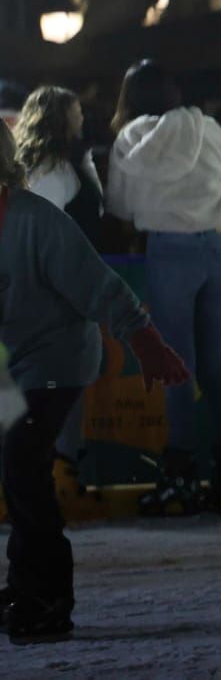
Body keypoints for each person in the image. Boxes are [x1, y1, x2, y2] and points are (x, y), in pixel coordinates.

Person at [0, 120, 190, 643]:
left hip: (55, 361)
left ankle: (47, 596)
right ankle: (23, 582)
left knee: (22, 459)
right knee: (16, 468)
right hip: (8, 366)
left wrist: (144, 339)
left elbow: (99, 284)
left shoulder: (35, 219)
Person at [105, 60, 221, 516]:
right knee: (213, 366)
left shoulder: (129, 139)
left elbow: (120, 204)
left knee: (176, 368)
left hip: (171, 253)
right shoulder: (207, 127)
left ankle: (180, 477)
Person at [15, 87, 109, 519]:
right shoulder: (50, 170)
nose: (81, 122)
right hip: (56, 290)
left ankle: (61, 473)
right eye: (74, 115)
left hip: (68, 287)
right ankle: (57, 475)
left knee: (59, 385)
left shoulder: (70, 162)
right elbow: (48, 233)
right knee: (55, 384)